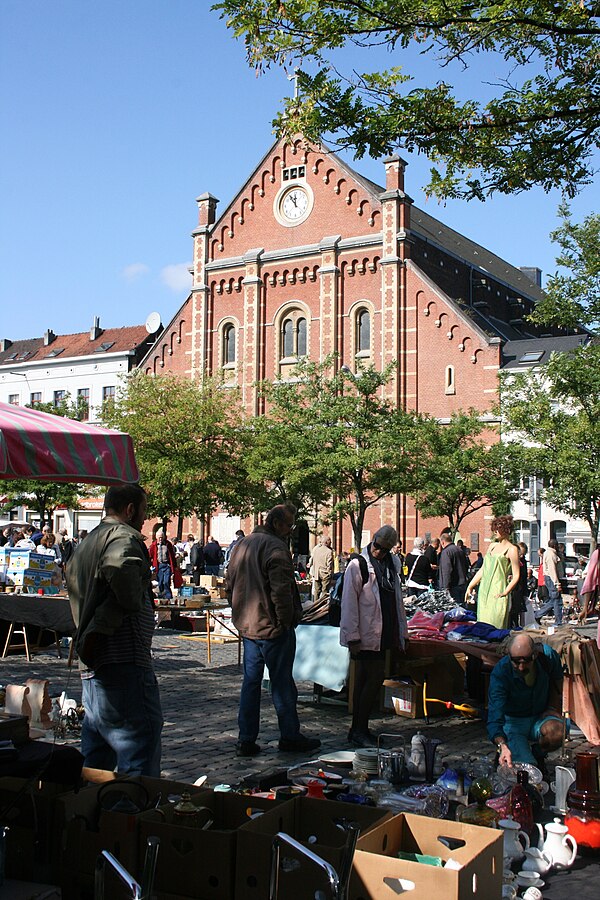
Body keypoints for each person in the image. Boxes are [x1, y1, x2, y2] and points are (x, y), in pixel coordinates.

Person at [66, 483, 162, 776]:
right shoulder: (122, 537)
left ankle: (94, 814)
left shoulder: (90, 540)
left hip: (98, 659)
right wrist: (137, 591)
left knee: (97, 752)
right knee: (137, 748)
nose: (145, 520)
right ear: (130, 509)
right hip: (120, 657)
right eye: (143, 511)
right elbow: (123, 578)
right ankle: (130, 815)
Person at [227, 503, 320, 757]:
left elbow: (230, 582)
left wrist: (238, 615)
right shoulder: (275, 547)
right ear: (277, 523)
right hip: (271, 627)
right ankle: (289, 735)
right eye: (288, 525)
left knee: (251, 682)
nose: (291, 530)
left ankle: (246, 738)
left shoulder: (243, 544)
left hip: (249, 626)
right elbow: (281, 590)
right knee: (281, 683)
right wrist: (285, 620)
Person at [340, 525, 408, 748]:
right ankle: (358, 728)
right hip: (366, 633)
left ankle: (358, 729)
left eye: (384, 549)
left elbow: (396, 599)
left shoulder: (392, 564)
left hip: (383, 631)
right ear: (373, 541)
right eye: (377, 546)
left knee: (366, 681)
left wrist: (401, 631)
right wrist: (352, 636)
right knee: (370, 679)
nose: (379, 551)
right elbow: (349, 603)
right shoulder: (358, 564)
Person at [487, 633, 564, 768]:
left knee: (557, 732)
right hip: (513, 722)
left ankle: (539, 753)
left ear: (535, 655)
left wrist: (552, 708)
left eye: (526, 661)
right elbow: (494, 715)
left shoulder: (547, 657)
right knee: (527, 768)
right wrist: (502, 745)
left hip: (539, 716)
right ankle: (512, 752)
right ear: (509, 656)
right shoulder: (501, 673)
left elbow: (557, 680)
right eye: (516, 661)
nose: (521, 667)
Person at [465, 515, 520, 628]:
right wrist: (470, 585)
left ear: (506, 530)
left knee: (496, 625)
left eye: (498, 528)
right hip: (484, 592)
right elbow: (483, 569)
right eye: (494, 528)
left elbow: (516, 575)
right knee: (482, 626)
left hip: (498, 591)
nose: (495, 531)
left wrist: (505, 592)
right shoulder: (492, 546)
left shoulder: (512, 549)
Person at [536, 538, 564, 625]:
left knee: (553, 600)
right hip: (551, 579)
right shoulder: (551, 554)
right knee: (557, 600)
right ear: (555, 546)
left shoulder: (549, 553)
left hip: (549, 578)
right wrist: (557, 583)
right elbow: (552, 570)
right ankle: (558, 622)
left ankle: (537, 614)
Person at [438, 532, 469, 603]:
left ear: (442, 542)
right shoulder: (460, 550)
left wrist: (446, 588)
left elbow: (446, 571)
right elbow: (466, 566)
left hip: (452, 586)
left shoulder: (446, 552)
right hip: (462, 584)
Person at [149, 529, 178, 601]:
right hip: (159, 566)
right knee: (160, 582)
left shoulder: (168, 544)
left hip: (166, 565)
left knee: (166, 581)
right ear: (156, 537)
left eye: (162, 537)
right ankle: (162, 596)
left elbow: (172, 556)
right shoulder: (154, 545)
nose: (160, 539)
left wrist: (174, 566)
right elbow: (149, 555)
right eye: (159, 537)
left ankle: (168, 597)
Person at [309, 535, 334, 605]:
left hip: (316, 573)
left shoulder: (316, 550)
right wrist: (330, 573)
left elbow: (312, 560)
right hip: (325, 573)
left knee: (317, 591)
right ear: (326, 542)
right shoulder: (329, 551)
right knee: (325, 591)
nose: (331, 543)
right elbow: (329, 564)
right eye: (330, 541)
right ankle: (322, 605)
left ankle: (315, 605)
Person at [509, 542, 529, 629]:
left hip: (519, 588)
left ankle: (516, 625)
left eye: (523, 554)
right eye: (520, 553)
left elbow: (524, 578)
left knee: (517, 609)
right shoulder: (511, 560)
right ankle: (511, 625)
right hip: (512, 588)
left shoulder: (523, 562)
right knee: (511, 609)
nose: (521, 556)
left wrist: (525, 593)